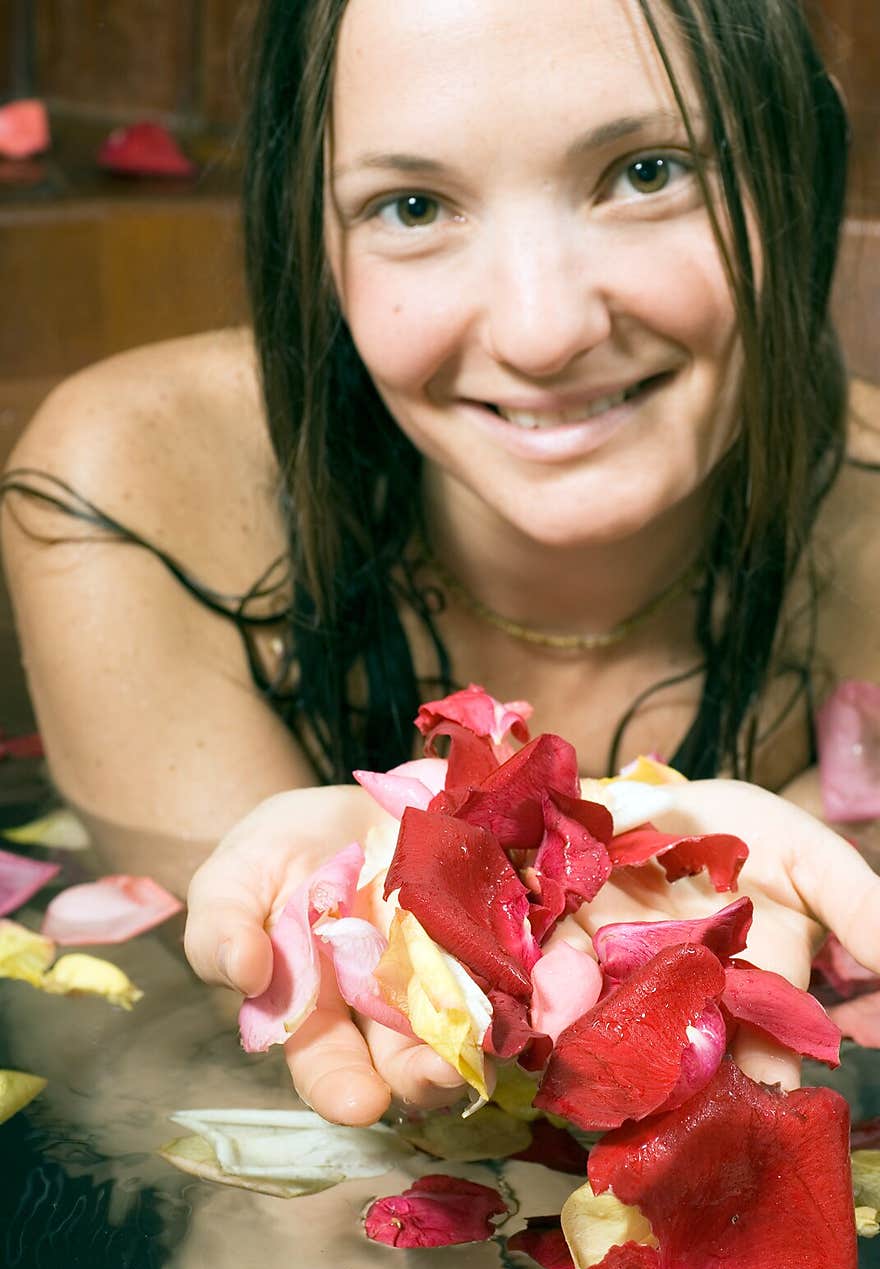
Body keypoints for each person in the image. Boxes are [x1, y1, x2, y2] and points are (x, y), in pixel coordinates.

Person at [3, 0, 880, 1130]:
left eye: (647, 171)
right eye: (410, 206)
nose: (539, 330)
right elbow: (232, 1086)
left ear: (790, 175)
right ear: (314, 243)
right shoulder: (140, 487)